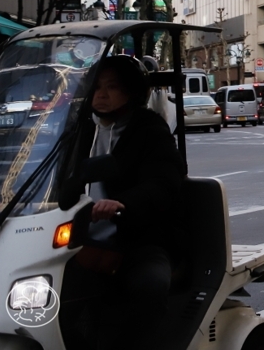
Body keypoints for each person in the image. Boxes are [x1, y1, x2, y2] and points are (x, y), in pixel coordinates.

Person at [60, 55, 185, 350]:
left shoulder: (150, 131)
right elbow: (49, 173)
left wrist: (121, 203)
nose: (101, 95)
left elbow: (164, 184)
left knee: (148, 286)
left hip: (138, 240)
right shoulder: (79, 129)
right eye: (96, 87)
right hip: (78, 239)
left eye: (111, 87)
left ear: (132, 91)